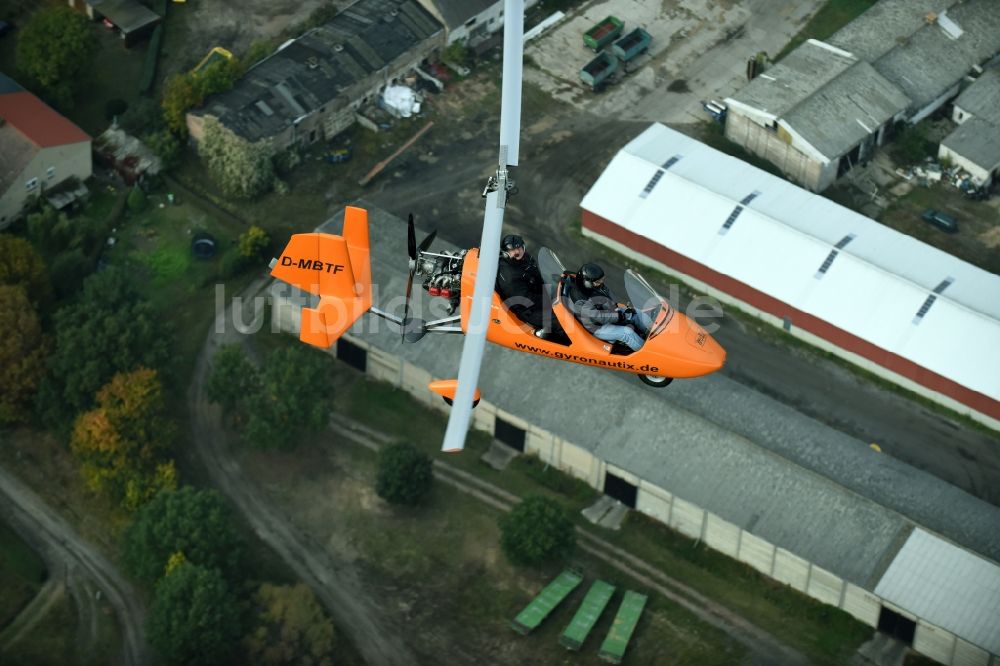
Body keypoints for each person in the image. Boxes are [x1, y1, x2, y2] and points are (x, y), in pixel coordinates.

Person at [565, 262, 651, 352]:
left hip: (609, 313)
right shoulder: (580, 300)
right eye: (598, 281)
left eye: (602, 280)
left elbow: (609, 297)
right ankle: (648, 354)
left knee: (635, 312)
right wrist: (618, 316)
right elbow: (599, 317)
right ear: (586, 282)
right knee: (626, 333)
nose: (601, 283)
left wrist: (620, 311)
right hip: (597, 326)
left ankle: (655, 334)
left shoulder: (595, 286)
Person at [495, 234, 551, 337]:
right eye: (512, 250)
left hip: (539, 297)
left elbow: (539, 274)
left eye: (519, 248)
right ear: (506, 253)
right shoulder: (509, 275)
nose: (517, 252)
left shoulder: (525, 258)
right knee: (561, 322)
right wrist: (549, 300)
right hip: (528, 310)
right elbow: (524, 300)